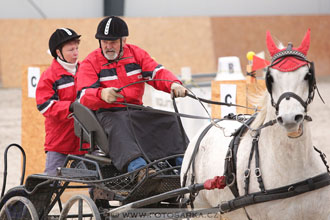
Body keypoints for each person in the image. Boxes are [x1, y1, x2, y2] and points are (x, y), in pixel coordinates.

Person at [76, 16, 187, 175]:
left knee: (169, 119)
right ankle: (140, 170)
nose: (108, 46)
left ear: (124, 40)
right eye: (104, 42)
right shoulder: (90, 62)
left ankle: (182, 165)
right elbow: (83, 96)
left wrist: (174, 84)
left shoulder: (136, 54)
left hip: (135, 111)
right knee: (120, 124)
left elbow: (157, 73)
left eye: (113, 42)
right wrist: (102, 94)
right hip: (107, 115)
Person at [36, 28, 87, 175]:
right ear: (58, 53)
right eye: (71, 50)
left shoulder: (85, 70)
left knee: (99, 185)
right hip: (59, 144)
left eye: (77, 48)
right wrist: (71, 107)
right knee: (50, 184)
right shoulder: (49, 76)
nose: (76, 53)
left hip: (85, 143)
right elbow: (44, 106)